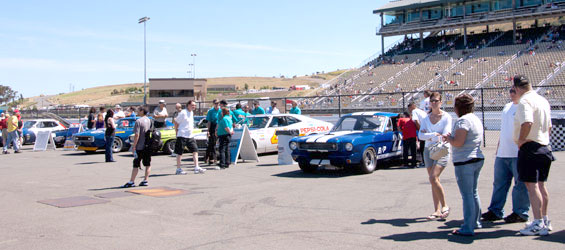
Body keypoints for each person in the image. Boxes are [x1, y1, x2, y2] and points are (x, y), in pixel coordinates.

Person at [512, 75, 554, 236]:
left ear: (516, 88)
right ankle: (545, 219)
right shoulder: (542, 100)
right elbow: (549, 126)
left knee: (532, 186)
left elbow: (527, 122)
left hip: (531, 146)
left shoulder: (525, 101)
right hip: (544, 145)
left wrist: (522, 139)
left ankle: (537, 222)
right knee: (541, 185)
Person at [482, 88, 530, 223]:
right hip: (503, 152)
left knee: (520, 185)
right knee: (499, 183)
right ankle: (495, 210)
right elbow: (504, 129)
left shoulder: (524, 107)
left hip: (517, 152)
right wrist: (498, 148)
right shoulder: (507, 106)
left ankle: (520, 212)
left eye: (514, 91)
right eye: (510, 90)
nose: (512, 93)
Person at [443, 94, 484, 236]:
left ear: (458, 107)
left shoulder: (463, 121)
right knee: (473, 192)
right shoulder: (475, 119)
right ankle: (476, 221)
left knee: (467, 195)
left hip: (465, 161)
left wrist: (449, 138)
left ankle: (468, 227)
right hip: (476, 158)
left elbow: (459, 142)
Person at [419, 92, 452, 220]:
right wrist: (434, 135)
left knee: (433, 177)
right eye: (432, 101)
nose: (433, 103)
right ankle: (437, 210)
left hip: (442, 150)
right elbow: (421, 136)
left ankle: (445, 206)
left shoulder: (446, 117)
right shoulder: (426, 118)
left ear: (441, 102)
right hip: (428, 150)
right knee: (433, 180)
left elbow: (445, 134)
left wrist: (429, 134)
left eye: (436, 101)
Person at [122, 107, 152, 188]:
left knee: (136, 164)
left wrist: (134, 146)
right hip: (147, 145)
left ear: (142, 111)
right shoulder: (149, 120)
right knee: (147, 164)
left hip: (140, 146)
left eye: (138, 110)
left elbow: (136, 135)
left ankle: (132, 181)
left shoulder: (138, 121)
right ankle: (146, 180)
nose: (137, 112)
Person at [174, 100, 206, 175]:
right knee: (179, 153)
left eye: (194, 105)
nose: (194, 106)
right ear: (188, 105)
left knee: (195, 150)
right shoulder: (183, 113)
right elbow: (176, 122)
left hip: (190, 136)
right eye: (192, 105)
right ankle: (178, 169)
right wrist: (177, 132)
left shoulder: (191, 113)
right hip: (182, 135)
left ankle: (196, 167)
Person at [408, 101, 428, 166]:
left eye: (409, 108)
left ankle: (424, 162)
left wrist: (420, 130)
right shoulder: (421, 111)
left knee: (422, 147)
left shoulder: (414, 111)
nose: (409, 110)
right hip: (427, 129)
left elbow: (416, 121)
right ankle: (427, 161)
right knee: (426, 147)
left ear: (412, 106)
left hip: (423, 130)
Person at [205, 100, 221, 164]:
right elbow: (209, 121)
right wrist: (208, 130)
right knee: (212, 143)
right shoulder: (211, 111)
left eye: (218, 103)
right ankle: (214, 158)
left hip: (220, 127)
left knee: (212, 144)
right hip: (213, 127)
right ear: (213, 104)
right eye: (215, 103)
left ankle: (207, 157)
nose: (217, 104)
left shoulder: (221, 111)